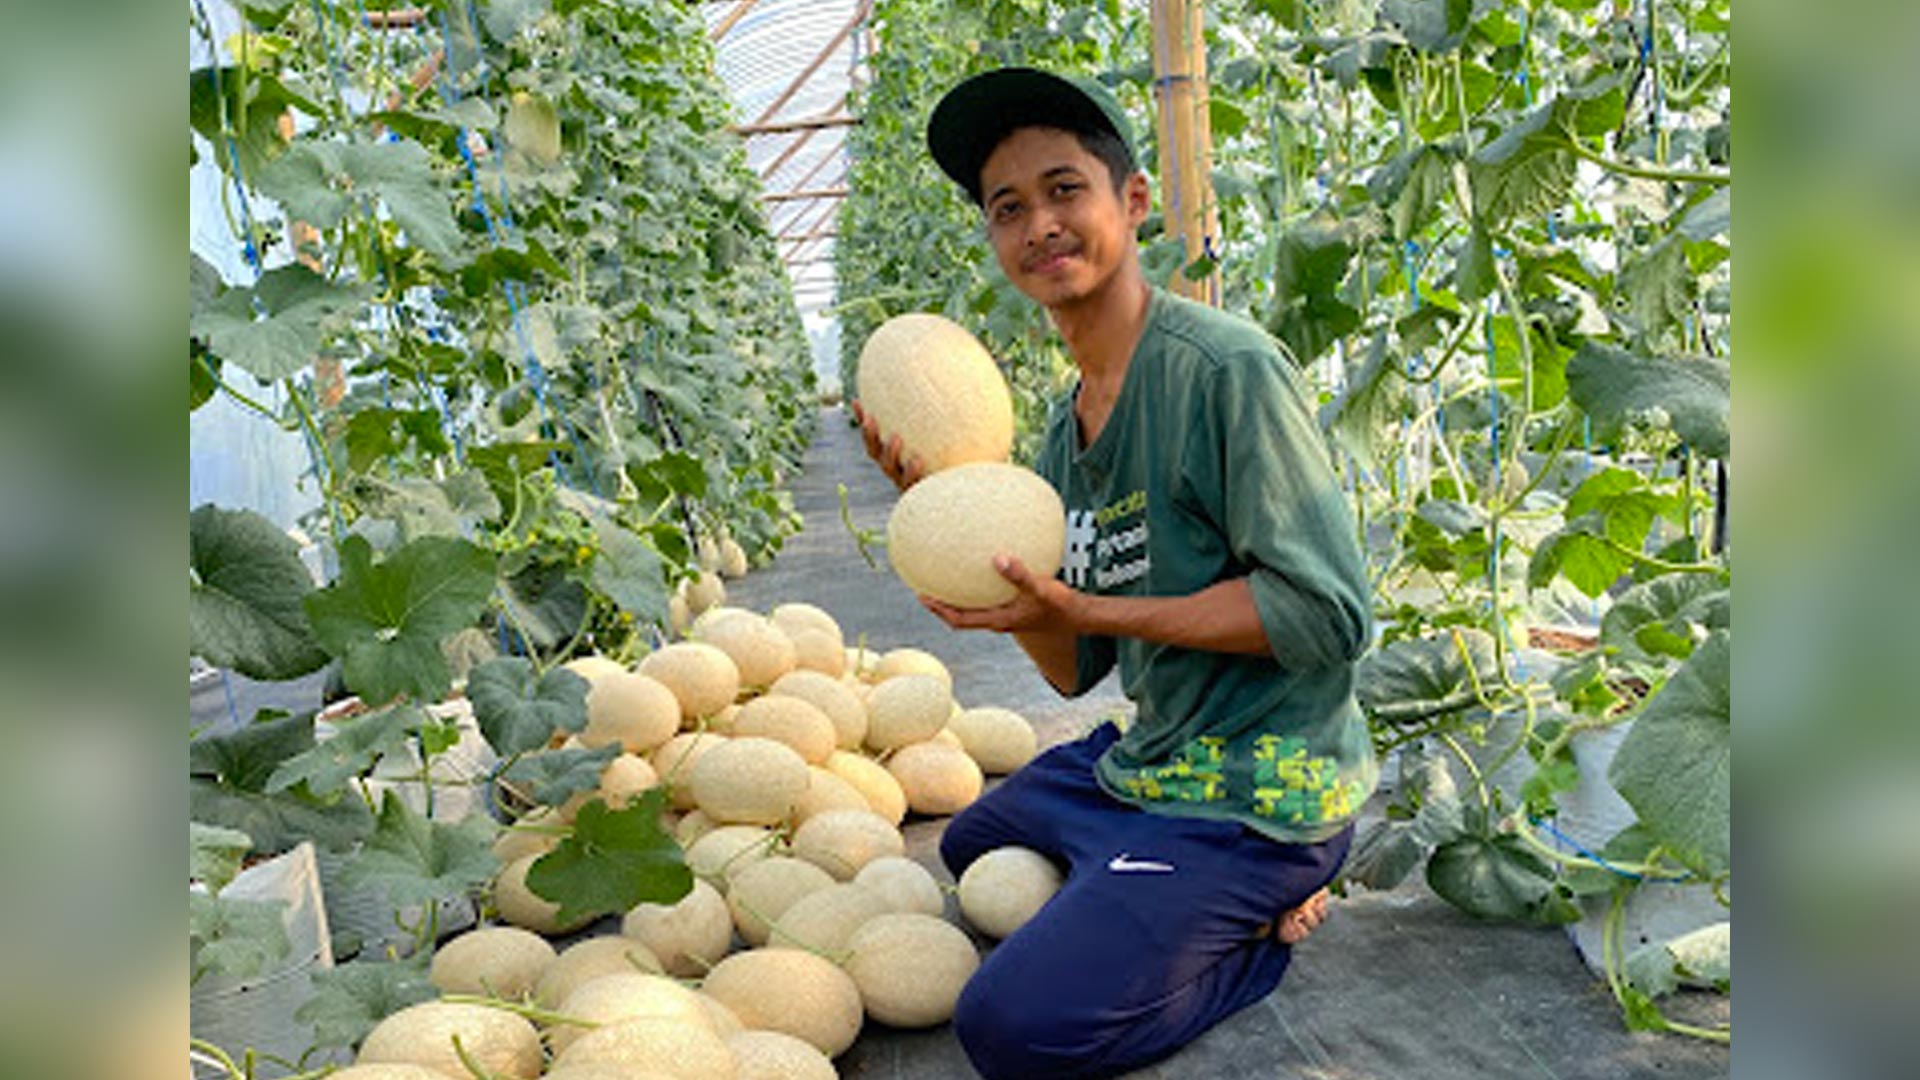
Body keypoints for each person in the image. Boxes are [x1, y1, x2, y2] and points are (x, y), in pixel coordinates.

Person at [852, 67, 1377, 1080]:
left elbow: (1327, 616)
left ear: (1131, 203)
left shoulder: (1225, 372)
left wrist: (1087, 601)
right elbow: (1074, 665)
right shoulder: (1062, 426)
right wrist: (1003, 581)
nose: (1039, 224)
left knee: (1012, 1026)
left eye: (1063, 190)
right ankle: (1137, 881)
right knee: (974, 846)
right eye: (1009, 209)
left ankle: (1255, 926)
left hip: (1262, 790)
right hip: (1157, 763)